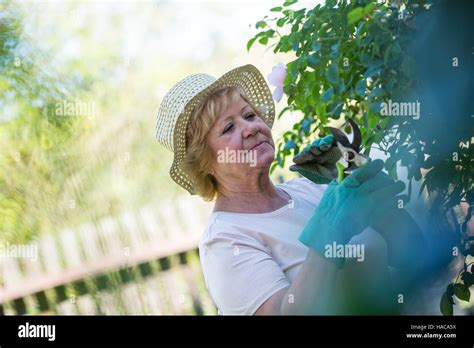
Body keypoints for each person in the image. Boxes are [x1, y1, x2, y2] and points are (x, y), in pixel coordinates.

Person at [155, 64, 419, 315]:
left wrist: (354, 171)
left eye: (249, 115)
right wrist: (328, 231)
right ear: (204, 163)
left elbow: (412, 251)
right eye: (228, 128)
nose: (250, 128)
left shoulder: (313, 191)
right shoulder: (225, 241)